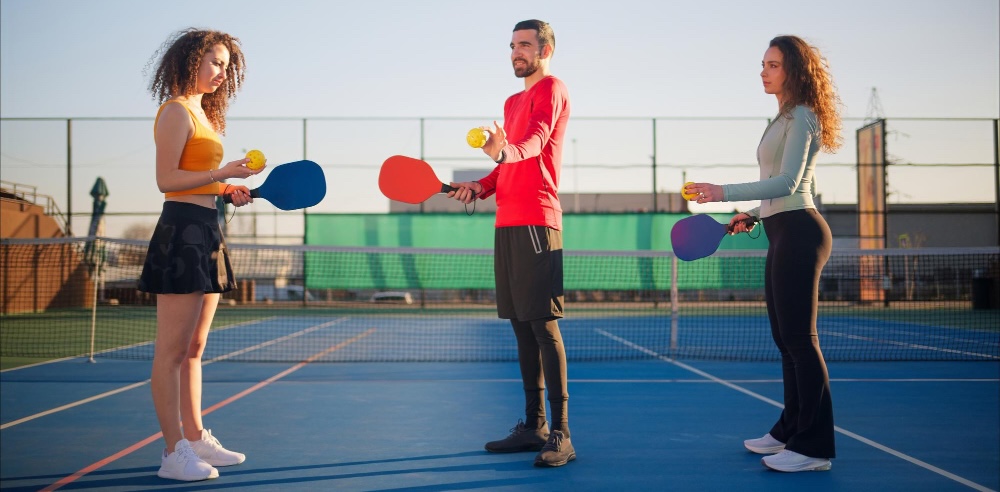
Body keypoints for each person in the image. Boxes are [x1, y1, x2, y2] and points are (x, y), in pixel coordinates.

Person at [683, 35, 842, 473]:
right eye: (763, 63)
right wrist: (751, 214)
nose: (763, 71)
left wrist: (723, 193)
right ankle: (790, 429)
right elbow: (777, 188)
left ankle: (814, 448)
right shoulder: (782, 117)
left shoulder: (804, 117)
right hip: (779, 229)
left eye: (772, 64)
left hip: (801, 231)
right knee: (784, 339)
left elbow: (789, 184)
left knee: (800, 340)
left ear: (793, 70)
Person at [139, 28, 263, 482]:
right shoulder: (175, 110)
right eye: (214, 62)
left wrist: (227, 188)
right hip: (181, 231)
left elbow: (200, 180)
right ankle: (173, 452)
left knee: (194, 348)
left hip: (208, 228)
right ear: (190, 60)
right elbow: (166, 180)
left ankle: (195, 438)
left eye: (226, 66)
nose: (220, 72)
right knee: (170, 352)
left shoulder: (203, 115)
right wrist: (222, 171)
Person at [448, 19, 573, 468]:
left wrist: (504, 151)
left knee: (543, 326)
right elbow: (505, 169)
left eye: (525, 45)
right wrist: (480, 186)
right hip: (507, 224)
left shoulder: (552, 89)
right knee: (521, 325)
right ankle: (533, 426)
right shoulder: (511, 100)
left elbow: (533, 143)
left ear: (545, 50)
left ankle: (561, 434)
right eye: (512, 46)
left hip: (540, 220)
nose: (516, 52)